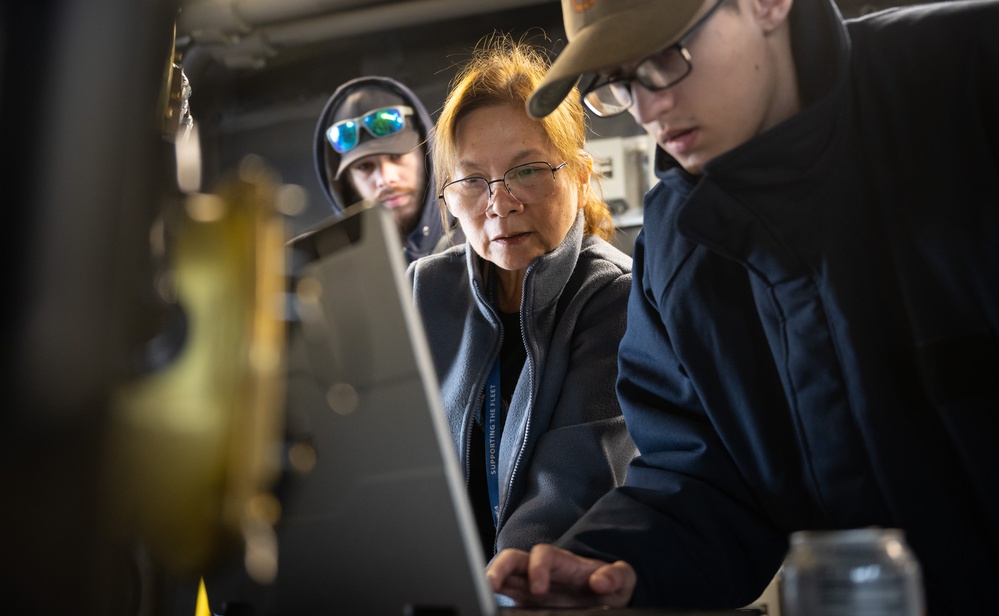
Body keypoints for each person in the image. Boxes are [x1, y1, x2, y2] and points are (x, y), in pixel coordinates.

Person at [486, 0, 999, 613]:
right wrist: (609, 565)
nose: (648, 109)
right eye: (617, 83)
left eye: (662, 58)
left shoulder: (972, 75)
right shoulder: (677, 250)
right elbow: (702, 480)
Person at [407, 35, 637, 563]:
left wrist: (504, 587)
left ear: (578, 174)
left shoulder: (616, 296)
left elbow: (574, 483)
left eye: (527, 170)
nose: (500, 204)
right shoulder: (425, 291)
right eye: (472, 180)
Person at [314, 76, 463, 263]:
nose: (385, 178)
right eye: (364, 166)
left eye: (396, 157)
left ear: (428, 154)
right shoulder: (335, 276)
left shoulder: (483, 249)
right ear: (347, 184)